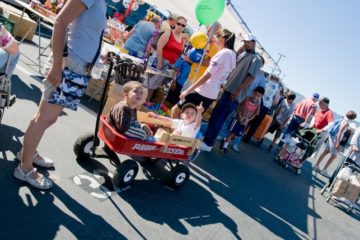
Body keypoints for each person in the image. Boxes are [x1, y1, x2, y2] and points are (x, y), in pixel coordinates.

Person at [14, 0, 107, 190]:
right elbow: (60, 22)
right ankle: (24, 168)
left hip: (76, 67)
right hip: (68, 65)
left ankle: (27, 153)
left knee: (49, 118)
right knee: (44, 117)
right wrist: (57, 65)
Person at [199, 33, 262, 152]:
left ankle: (208, 143)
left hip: (234, 94)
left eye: (248, 41)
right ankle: (207, 139)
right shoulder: (244, 54)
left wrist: (237, 91)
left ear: (254, 42)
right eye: (245, 41)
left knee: (219, 118)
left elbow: (250, 78)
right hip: (228, 90)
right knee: (216, 116)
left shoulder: (256, 59)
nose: (246, 43)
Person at [177, 29, 236, 115]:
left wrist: (188, 90)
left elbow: (208, 75)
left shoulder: (223, 53)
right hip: (212, 93)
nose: (216, 41)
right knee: (191, 119)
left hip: (203, 90)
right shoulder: (233, 55)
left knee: (176, 110)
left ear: (223, 39)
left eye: (217, 37)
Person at [220, 86, 265, 155]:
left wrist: (248, 119)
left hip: (244, 123)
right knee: (232, 133)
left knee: (235, 135)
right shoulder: (247, 99)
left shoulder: (258, 105)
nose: (256, 97)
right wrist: (239, 115)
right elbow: (238, 106)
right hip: (237, 119)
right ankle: (224, 147)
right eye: (255, 94)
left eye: (258, 96)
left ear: (261, 96)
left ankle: (225, 141)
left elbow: (255, 114)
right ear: (253, 93)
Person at [314, 111, 357, 177]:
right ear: (352, 118)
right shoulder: (346, 123)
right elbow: (340, 132)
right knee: (334, 156)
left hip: (332, 136)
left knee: (326, 151)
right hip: (335, 139)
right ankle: (324, 170)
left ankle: (316, 165)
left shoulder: (342, 119)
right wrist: (338, 142)